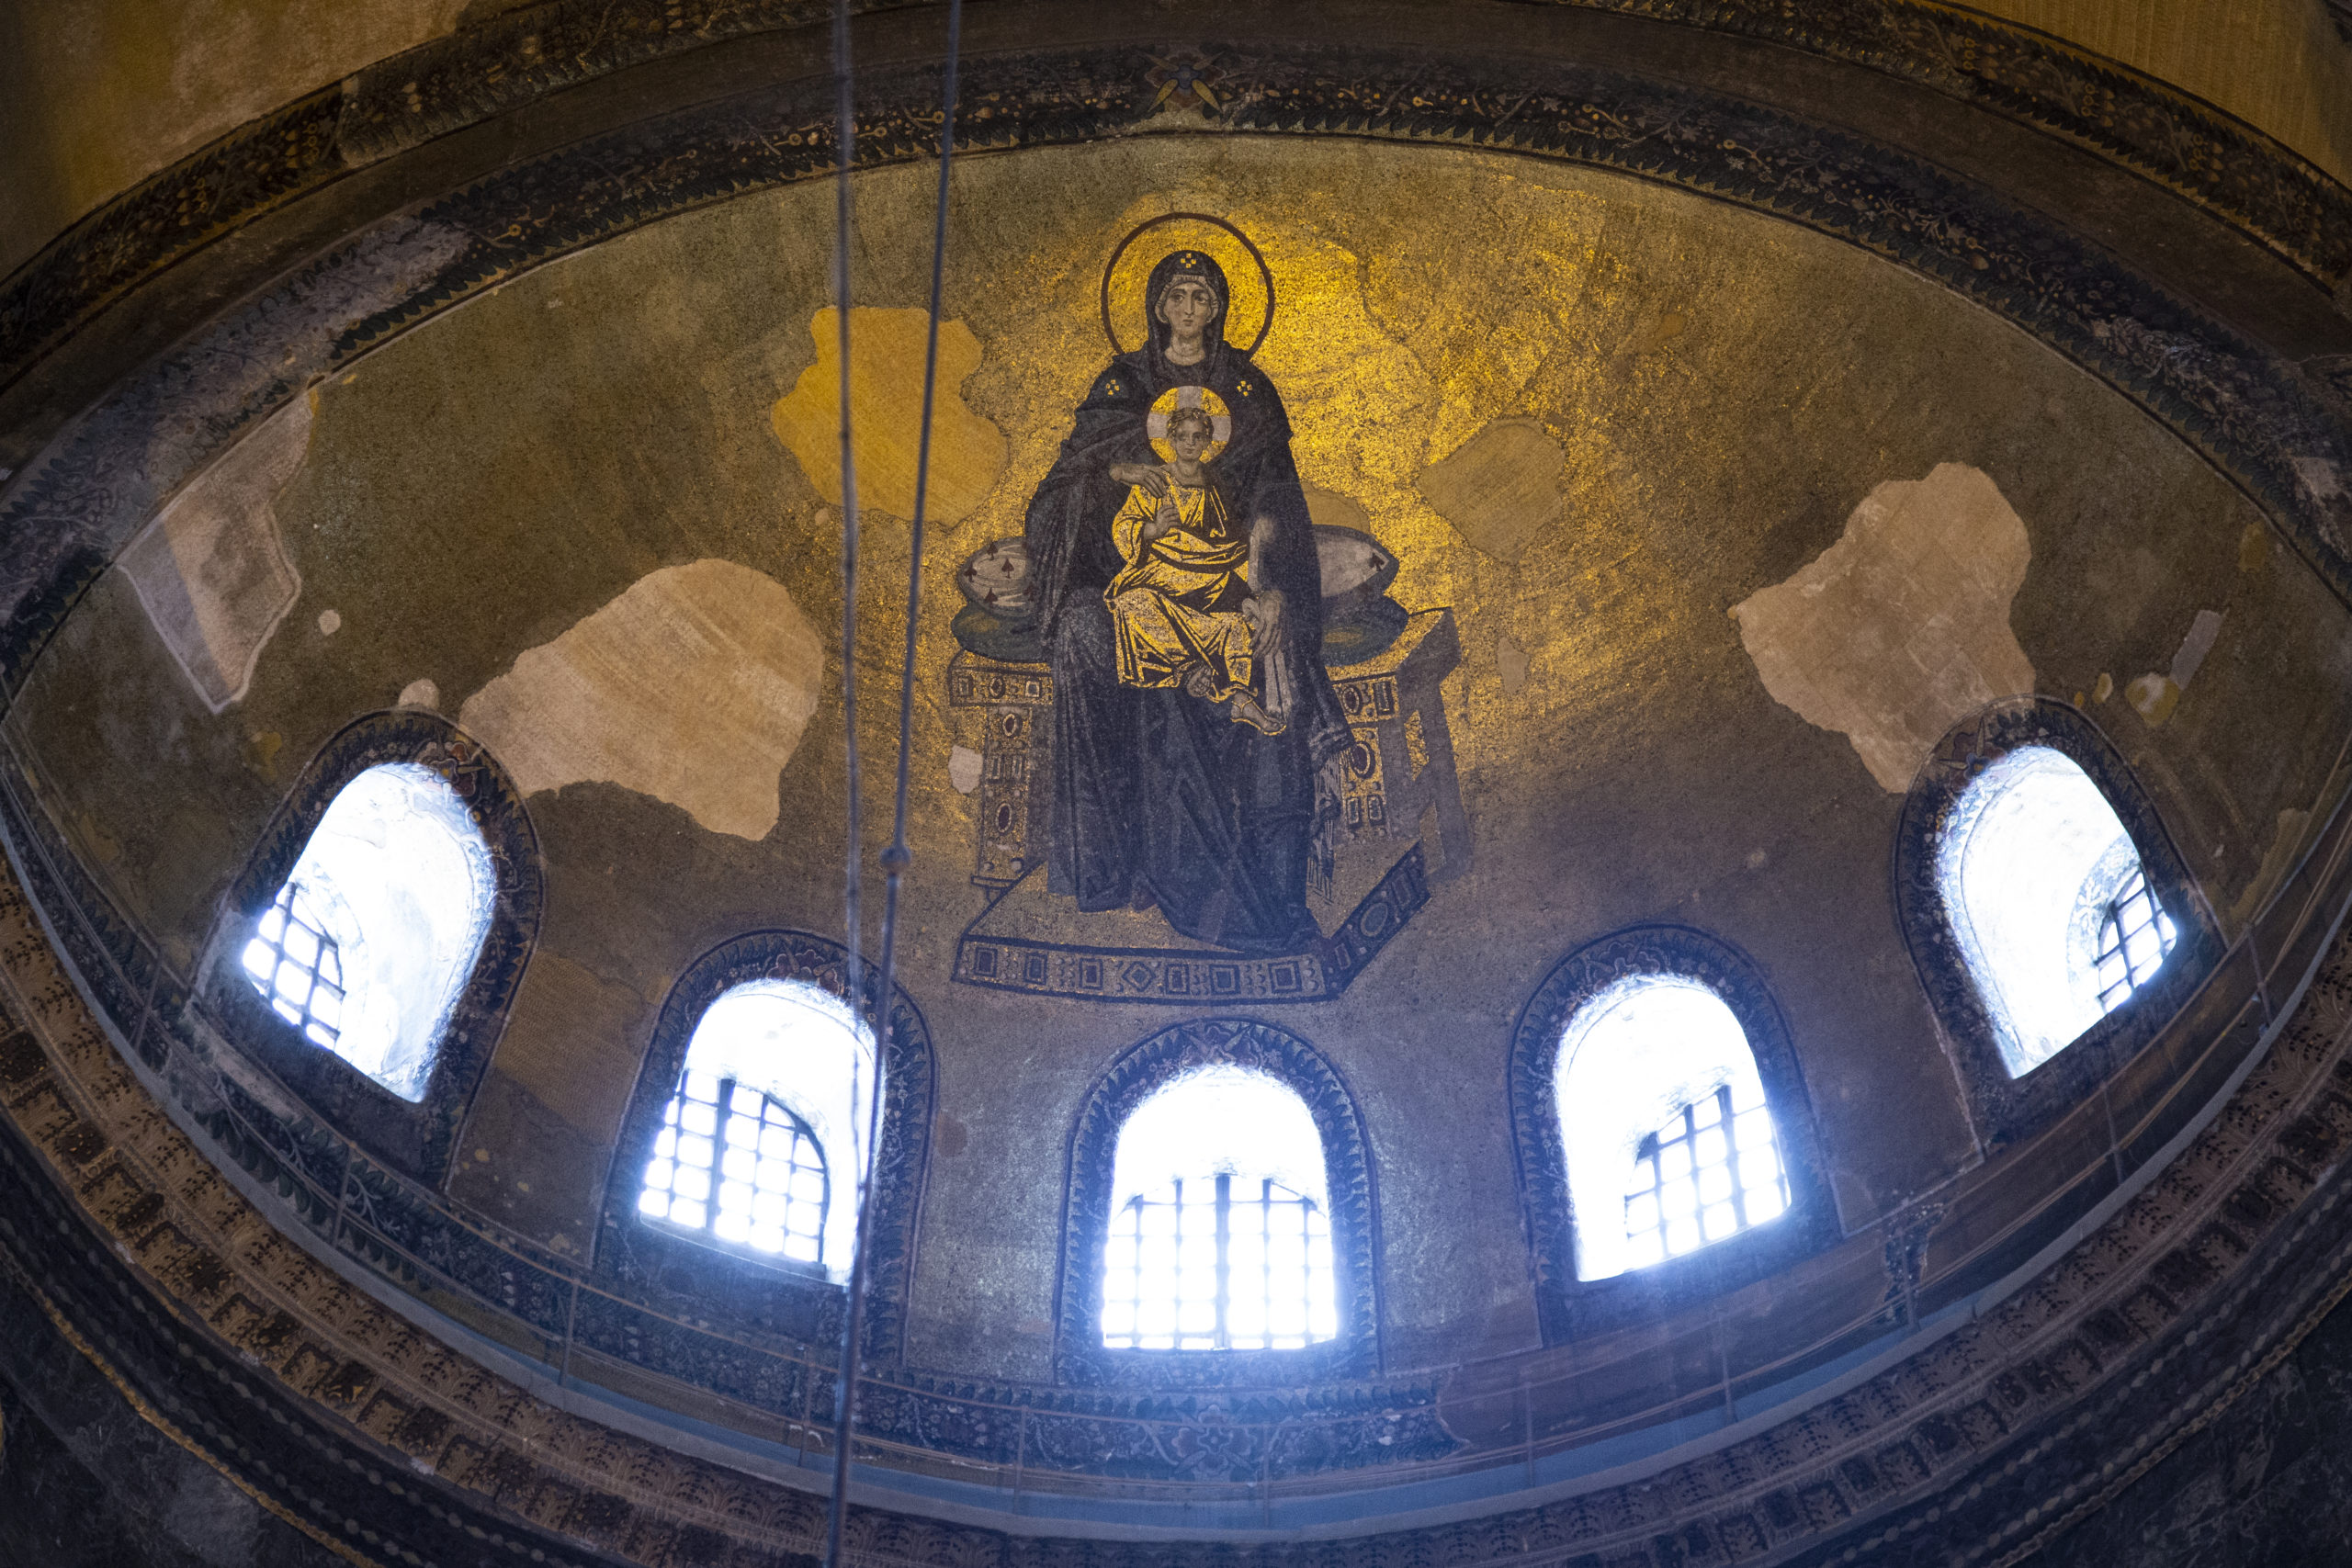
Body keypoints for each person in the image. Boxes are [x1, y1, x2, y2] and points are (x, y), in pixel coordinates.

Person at [1023, 247, 1348, 953]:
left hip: (1230, 579)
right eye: (1178, 295)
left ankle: (1280, 890)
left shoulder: (1250, 393)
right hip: (1134, 579)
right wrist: (1125, 471)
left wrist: (1269, 587)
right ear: (1157, 307)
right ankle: (1115, 862)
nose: (1190, 309)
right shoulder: (1121, 385)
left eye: (1203, 296)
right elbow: (1062, 490)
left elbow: (1275, 500)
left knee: (1271, 655)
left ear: (1221, 308)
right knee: (1090, 634)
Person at [1103, 398, 1283, 737]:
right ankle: (1189, 670)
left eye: (1197, 437)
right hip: (1160, 572)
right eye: (1182, 436)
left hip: (1206, 575)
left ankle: (1241, 700)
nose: (1189, 443)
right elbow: (1123, 525)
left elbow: (1226, 542)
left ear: (1207, 442)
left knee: (1234, 624)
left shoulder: (1214, 486)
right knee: (1132, 603)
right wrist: (1152, 530)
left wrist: (1250, 586)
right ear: (1170, 440)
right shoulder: (1155, 481)